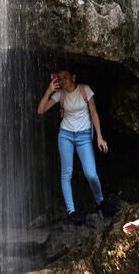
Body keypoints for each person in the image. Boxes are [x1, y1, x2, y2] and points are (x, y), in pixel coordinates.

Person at [38, 67, 115, 223]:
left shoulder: (85, 90)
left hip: (84, 136)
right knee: (66, 173)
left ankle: (101, 202)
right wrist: (48, 91)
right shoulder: (60, 94)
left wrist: (100, 137)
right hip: (65, 134)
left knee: (91, 174)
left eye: (65, 77)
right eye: (59, 78)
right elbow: (40, 110)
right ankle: (71, 211)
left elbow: (94, 113)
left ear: (73, 77)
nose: (62, 80)